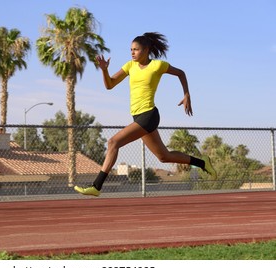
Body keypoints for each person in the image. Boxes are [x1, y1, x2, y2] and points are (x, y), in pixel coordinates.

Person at [74, 32, 217, 197]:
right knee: (164, 157)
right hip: (138, 117)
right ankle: (202, 162)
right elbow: (110, 85)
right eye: (131, 50)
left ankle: (96, 186)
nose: (132, 53)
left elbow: (181, 73)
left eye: (136, 49)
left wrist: (186, 95)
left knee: (113, 142)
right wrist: (104, 71)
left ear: (146, 50)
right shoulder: (129, 66)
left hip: (149, 115)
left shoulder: (157, 66)